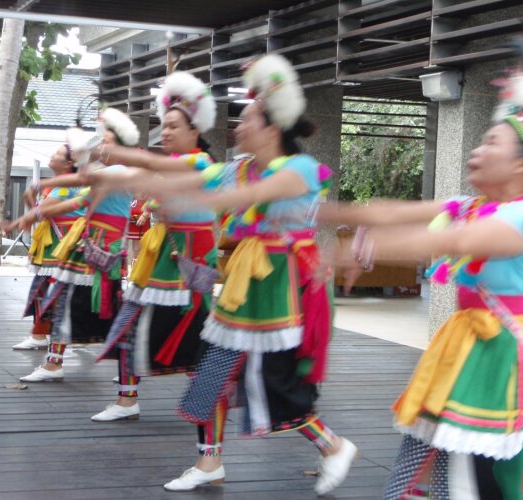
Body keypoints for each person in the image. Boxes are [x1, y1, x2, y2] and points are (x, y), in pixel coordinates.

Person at [99, 55, 358, 496]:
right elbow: (190, 176)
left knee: (275, 383)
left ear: (271, 128)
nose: (238, 127)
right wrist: (123, 164)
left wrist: (187, 193)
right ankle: (209, 462)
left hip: (282, 290)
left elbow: (252, 194)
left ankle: (332, 445)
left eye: (248, 119)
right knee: (210, 374)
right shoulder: (240, 168)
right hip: (244, 288)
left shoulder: (298, 170)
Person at [320, 70, 523, 499]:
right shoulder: (472, 206)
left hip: (508, 365)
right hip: (470, 353)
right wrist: (323, 213)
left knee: (484, 478)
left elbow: (457, 241)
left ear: (522, 163)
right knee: (439, 457)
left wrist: (362, 249)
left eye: (491, 142)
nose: (477, 150)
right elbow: (390, 212)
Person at [89, 72, 219, 422]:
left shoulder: (199, 163)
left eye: (174, 126)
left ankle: (206, 399)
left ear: (195, 131)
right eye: (165, 125)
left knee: (193, 335)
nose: (166, 131)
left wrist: (123, 152)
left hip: (185, 260)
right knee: (131, 325)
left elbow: (149, 170)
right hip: (163, 256)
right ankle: (128, 399)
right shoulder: (173, 166)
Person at [9, 108, 140, 383]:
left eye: (107, 142)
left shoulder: (118, 171)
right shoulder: (110, 174)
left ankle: (124, 371)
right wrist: (30, 215)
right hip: (92, 248)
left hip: (99, 251)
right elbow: (76, 202)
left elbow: (80, 184)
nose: (101, 147)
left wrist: (40, 188)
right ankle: (59, 363)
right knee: (69, 303)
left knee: (83, 305)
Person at [12, 144, 81, 351]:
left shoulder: (66, 187)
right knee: (45, 288)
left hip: (60, 245)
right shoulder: (56, 185)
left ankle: (41, 335)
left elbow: (42, 211)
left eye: (58, 154)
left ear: (69, 163)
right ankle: (41, 334)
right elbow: (38, 210)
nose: (52, 155)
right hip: (53, 244)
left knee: (48, 289)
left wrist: (21, 218)